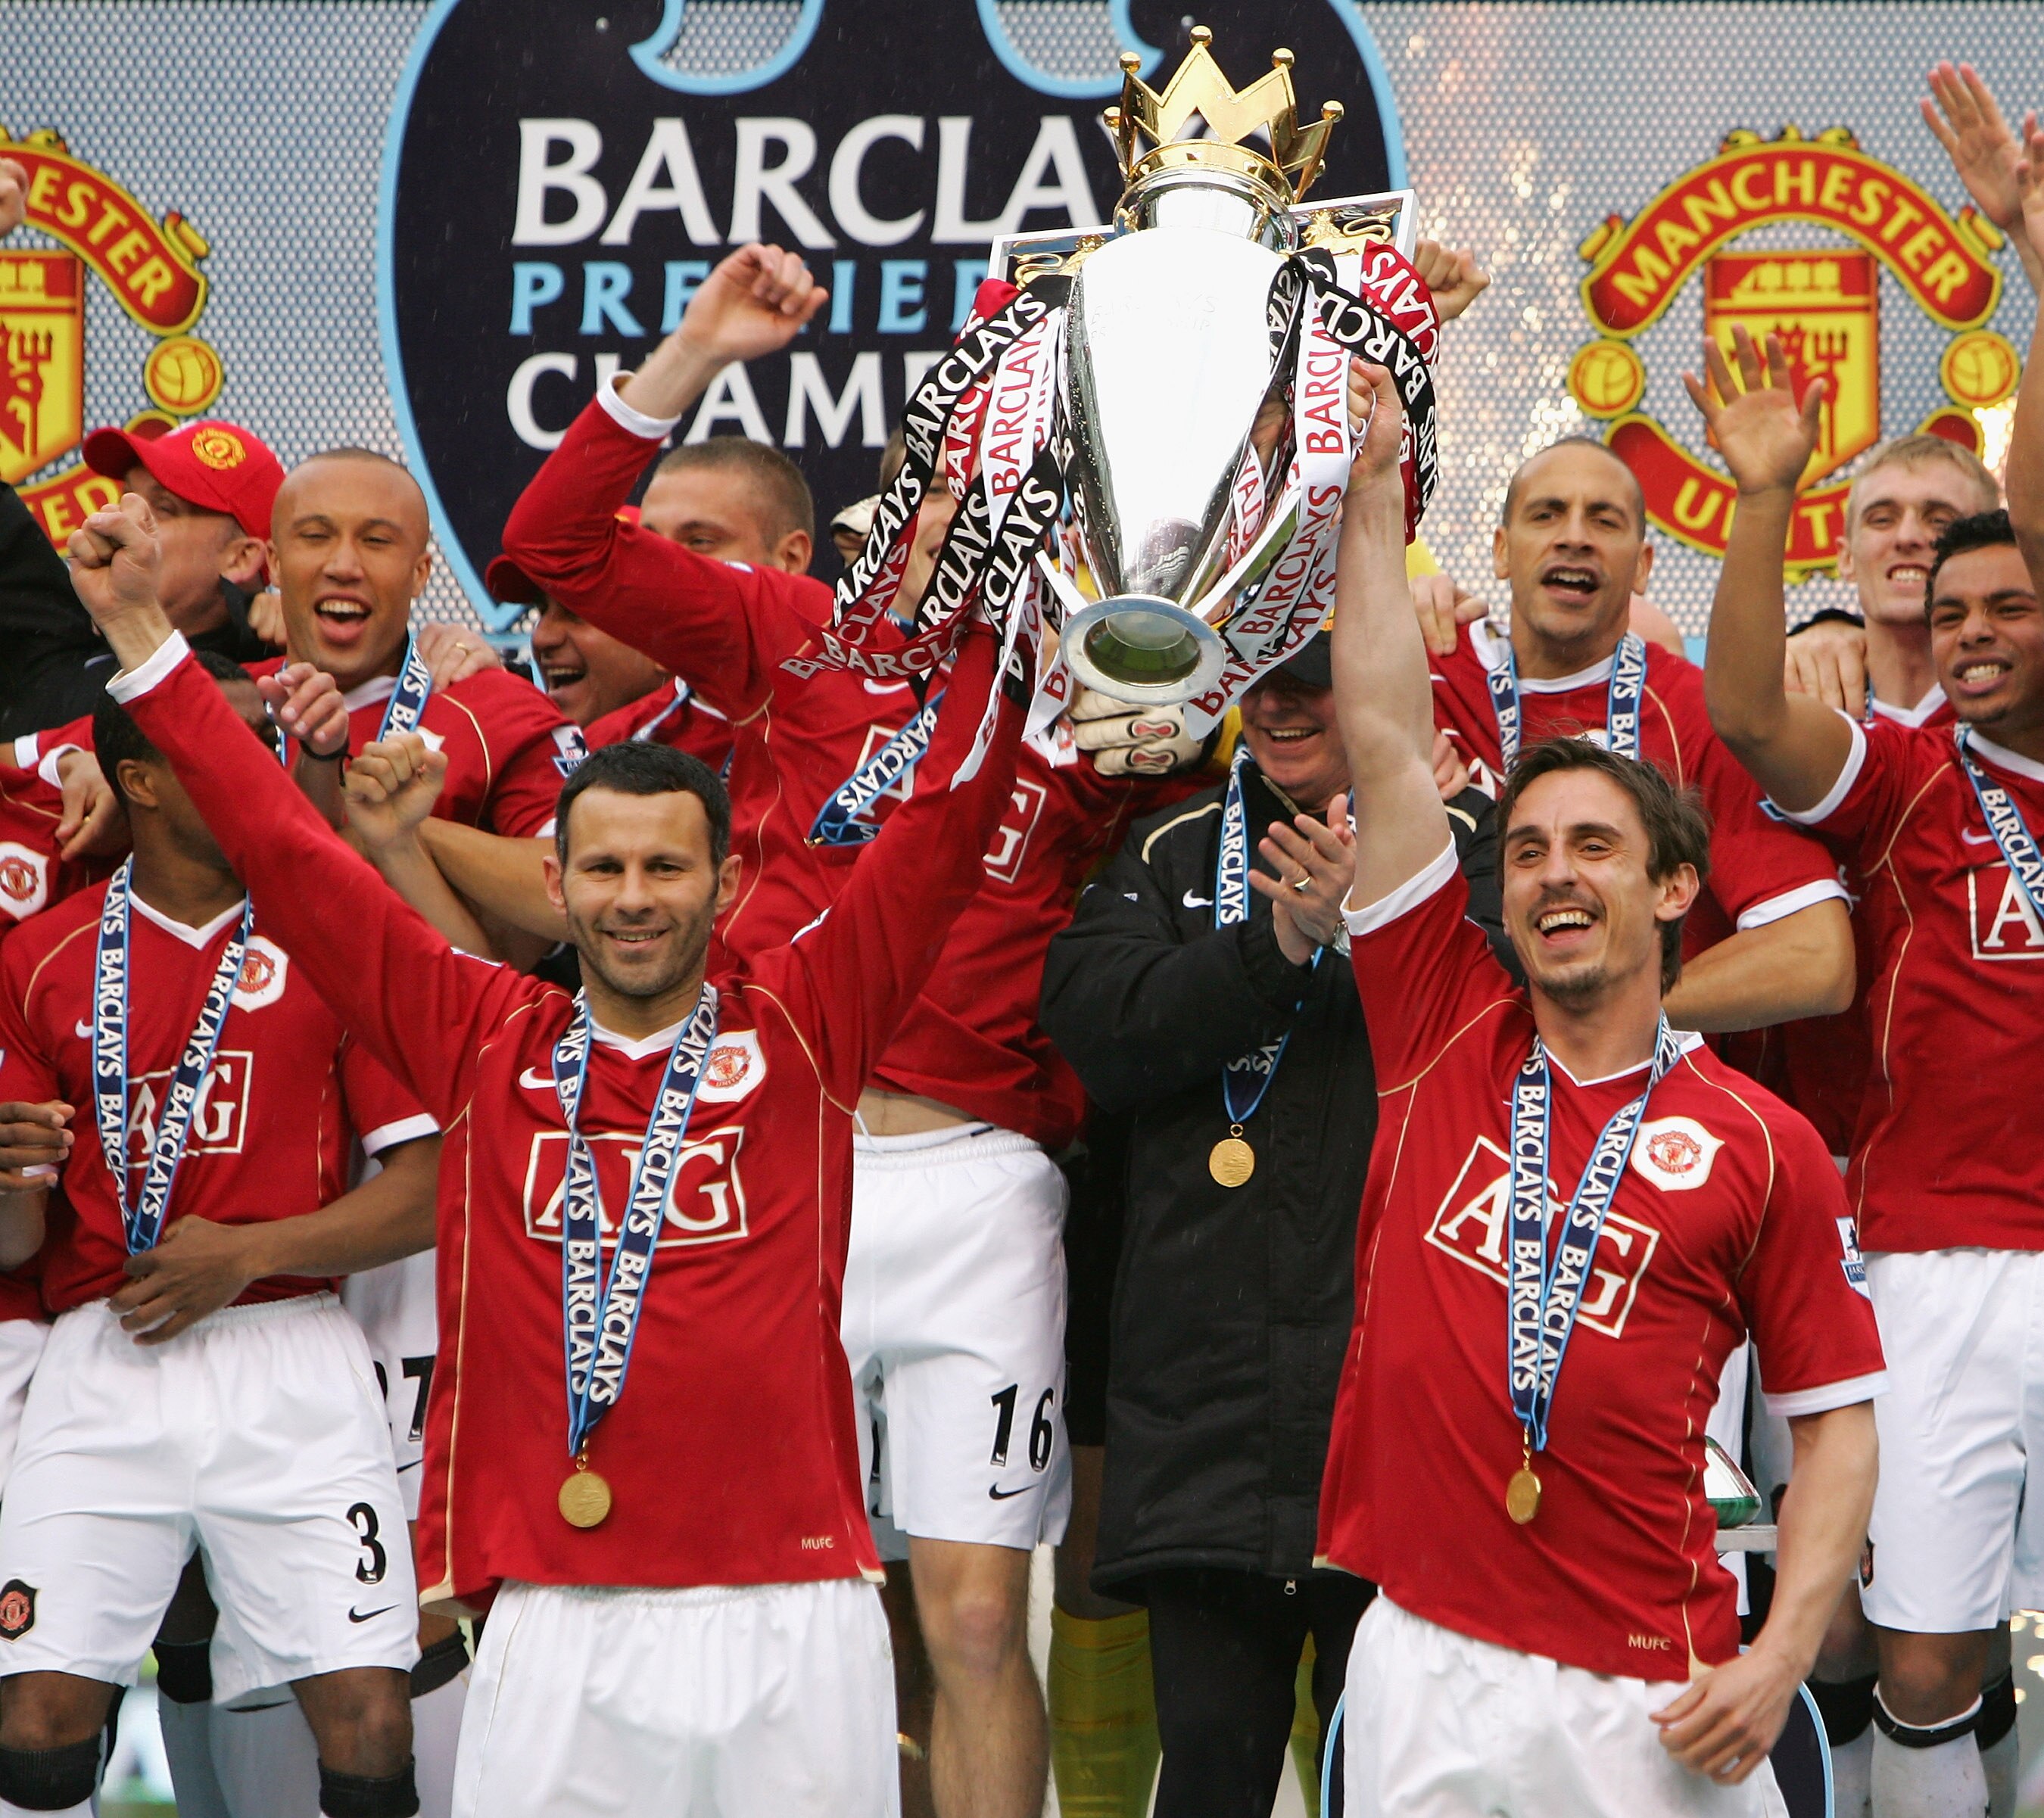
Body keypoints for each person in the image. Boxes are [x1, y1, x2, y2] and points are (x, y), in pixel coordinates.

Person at [64, 475, 1028, 1815]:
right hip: (560, 1613)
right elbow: (287, 852)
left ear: (727, 884)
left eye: (668, 868)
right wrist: (143, 646)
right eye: (608, 870)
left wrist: (1013, 622)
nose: (636, 900)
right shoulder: (481, 1036)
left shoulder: (809, 1022)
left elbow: (945, 829)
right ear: (557, 885)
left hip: (796, 1605)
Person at [1322, 353, 1885, 1817]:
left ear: (1676, 884)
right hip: (1427, 1662)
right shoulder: (1440, 1028)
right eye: (1524, 851)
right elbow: (1385, 739)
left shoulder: (1763, 1143)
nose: (1554, 874)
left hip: (1654, 1693)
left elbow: (1833, 1420)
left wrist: (1782, 1658)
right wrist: (1375, 485)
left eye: (1595, 847)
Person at [1038, 628, 1503, 1817]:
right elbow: (1095, 1022)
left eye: (1323, 679)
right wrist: (1279, 941)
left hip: (1401, 1403)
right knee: (1208, 1773)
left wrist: (1389, 912)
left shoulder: (1478, 851)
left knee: (1392, 1778)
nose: (1288, 704)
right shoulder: (1173, 843)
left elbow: (1526, 1029)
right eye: (1268, 679)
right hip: (1207, 1400)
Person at [1698, 285, 2044, 1818]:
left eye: (2005, 604)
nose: (1967, 629)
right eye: (1949, 608)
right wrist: (1765, 502)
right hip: (1933, 1252)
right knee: (1918, 1664)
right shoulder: (1905, 777)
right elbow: (1749, 710)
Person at [0, 647, 441, 1818]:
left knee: (370, 1725)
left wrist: (246, 1250)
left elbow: (430, 1186)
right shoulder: (38, 955)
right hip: (106, 1351)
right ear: (140, 779)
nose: (269, 766)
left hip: (288, 1343)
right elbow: (13, 1243)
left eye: (266, 740)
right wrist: (6, 1181)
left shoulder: (334, 926)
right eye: (231, 746)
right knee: (35, 1736)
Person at [0, 419, 285, 738]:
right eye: (126, 497)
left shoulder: (265, 695)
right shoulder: (55, 632)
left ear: (241, 558)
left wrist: (306, 641)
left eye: (163, 509)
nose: (119, 520)